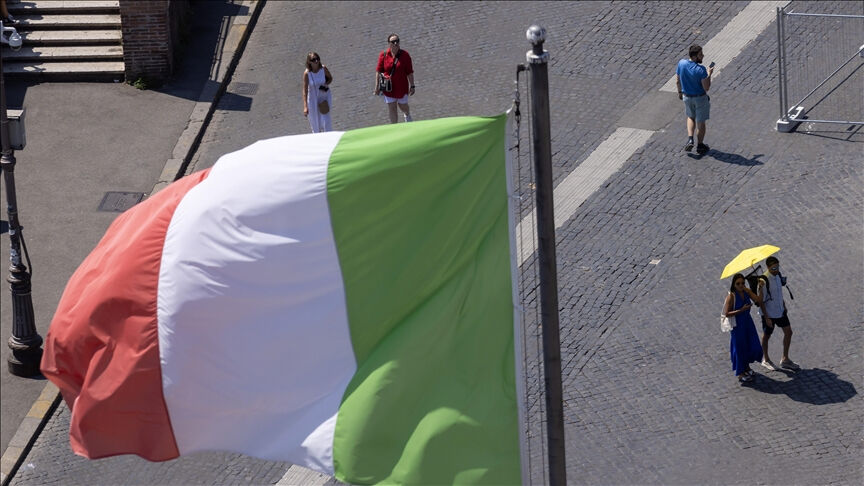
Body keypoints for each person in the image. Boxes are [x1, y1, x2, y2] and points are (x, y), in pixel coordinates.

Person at [757, 256, 800, 371]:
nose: (776, 270)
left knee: (789, 332)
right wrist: (766, 317)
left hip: (780, 311)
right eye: (773, 268)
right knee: (766, 336)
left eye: (777, 267)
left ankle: (785, 359)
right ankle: (766, 359)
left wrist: (784, 305)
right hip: (769, 313)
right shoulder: (763, 281)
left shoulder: (778, 275)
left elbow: (779, 293)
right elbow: (760, 300)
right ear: (768, 267)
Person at [723, 273, 763, 383]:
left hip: (747, 323)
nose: (740, 285)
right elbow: (727, 313)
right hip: (737, 326)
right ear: (734, 284)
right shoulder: (731, 296)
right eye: (738, 283)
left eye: (742, 283)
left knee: (752, 344)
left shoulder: (745, 291)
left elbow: (757, 300)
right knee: (740, 348)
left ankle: (747, 367)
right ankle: (741, 373)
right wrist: (741, 310)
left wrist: (759, 288)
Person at [675, 44, 714, 154]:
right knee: (701, 122)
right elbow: (706, 87)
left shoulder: (681, 63)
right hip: (700, 98)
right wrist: (709, 74)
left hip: (687, 97)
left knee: (690, 117)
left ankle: (690, 139)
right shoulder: (701, 70)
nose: (703, 56)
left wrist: (679, 93)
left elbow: (677, 81)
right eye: (701, 54)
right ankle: (700, 145)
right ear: (695, 56)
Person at [373, 33, 415, 124]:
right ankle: (394, 127)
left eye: (397, 41)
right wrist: (376, 87)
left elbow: (409, 72)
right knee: (392, 107)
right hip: (389, 87)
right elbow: (378, 71)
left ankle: (407, 114)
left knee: (402, 105)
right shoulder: (383, 55)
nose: (396, 43)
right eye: (393, 42)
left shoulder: (405, 55)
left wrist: (412, 85)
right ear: (389, 43)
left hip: (401, 86)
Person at [302, 51, 333, 133]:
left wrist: (326, 84)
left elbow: (330, 78)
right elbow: (304, 90)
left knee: (326, 120)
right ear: (309, 62)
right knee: (315, 123)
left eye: (317, 59)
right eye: (313, 60)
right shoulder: (307, 73)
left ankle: (329, 138)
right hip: (312, 100)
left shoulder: (323, 68)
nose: (316, 61)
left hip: (323, 97)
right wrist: (305, 106)